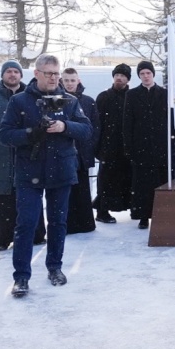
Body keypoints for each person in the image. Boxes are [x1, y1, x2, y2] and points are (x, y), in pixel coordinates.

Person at [0, 54, 92, 298]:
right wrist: (32, 132)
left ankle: (55, 268)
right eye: (48, 73)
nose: (53, 78)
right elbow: (5, 134)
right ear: (36, 74)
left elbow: (86, 130)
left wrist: (65, 127)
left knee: (58, 222)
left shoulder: (69, 101)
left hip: (61, 170)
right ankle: (21, 276)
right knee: (26, 224)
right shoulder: (19, 101)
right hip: (30, 171)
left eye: (56, 73)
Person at [0, 60, 45, 251]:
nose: (12, 75)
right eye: (8, 71)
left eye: (16, 71)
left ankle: (37, 235)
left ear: (21, 75)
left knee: (31, 195)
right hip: (0, 156)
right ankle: (4, 238)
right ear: (2, 75)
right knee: (3, 196)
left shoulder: (33, 97)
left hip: (28, 154)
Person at [123, 60, 170, 229]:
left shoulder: (164, 93)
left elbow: (170, 120)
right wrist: (128, 146)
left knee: (161, 182)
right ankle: (143, 215)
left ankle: (162, 214)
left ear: (153, 74)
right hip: (141, 146)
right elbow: (127, 122)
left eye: (148, 73)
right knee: (142, 184)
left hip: (161, 146)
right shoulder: (132, 95)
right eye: (142, 74)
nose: (145, 76)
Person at [61, 67, 99, 234]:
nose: (69, 84)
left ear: (78, 81)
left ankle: (86, 223)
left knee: (83, 190)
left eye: (72, 80)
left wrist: (90, 147)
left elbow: (95, 127)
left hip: (83, 153)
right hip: (63, 154)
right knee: (65, 191)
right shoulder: (56, 100)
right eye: (67, 80)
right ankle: (68, 224)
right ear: (62, 81)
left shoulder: (88, 101)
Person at [94, 64, 132, 224]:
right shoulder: (103, 97)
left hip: (128, 147)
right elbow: (97, 124)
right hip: (108, 147)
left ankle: (134, 207)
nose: (119, 77)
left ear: (128, 78)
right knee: (106, 180)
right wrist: (98, 147)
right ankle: (102, 211)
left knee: (130, 179)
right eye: (117, 74)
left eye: (123, 75)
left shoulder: (132, 96)